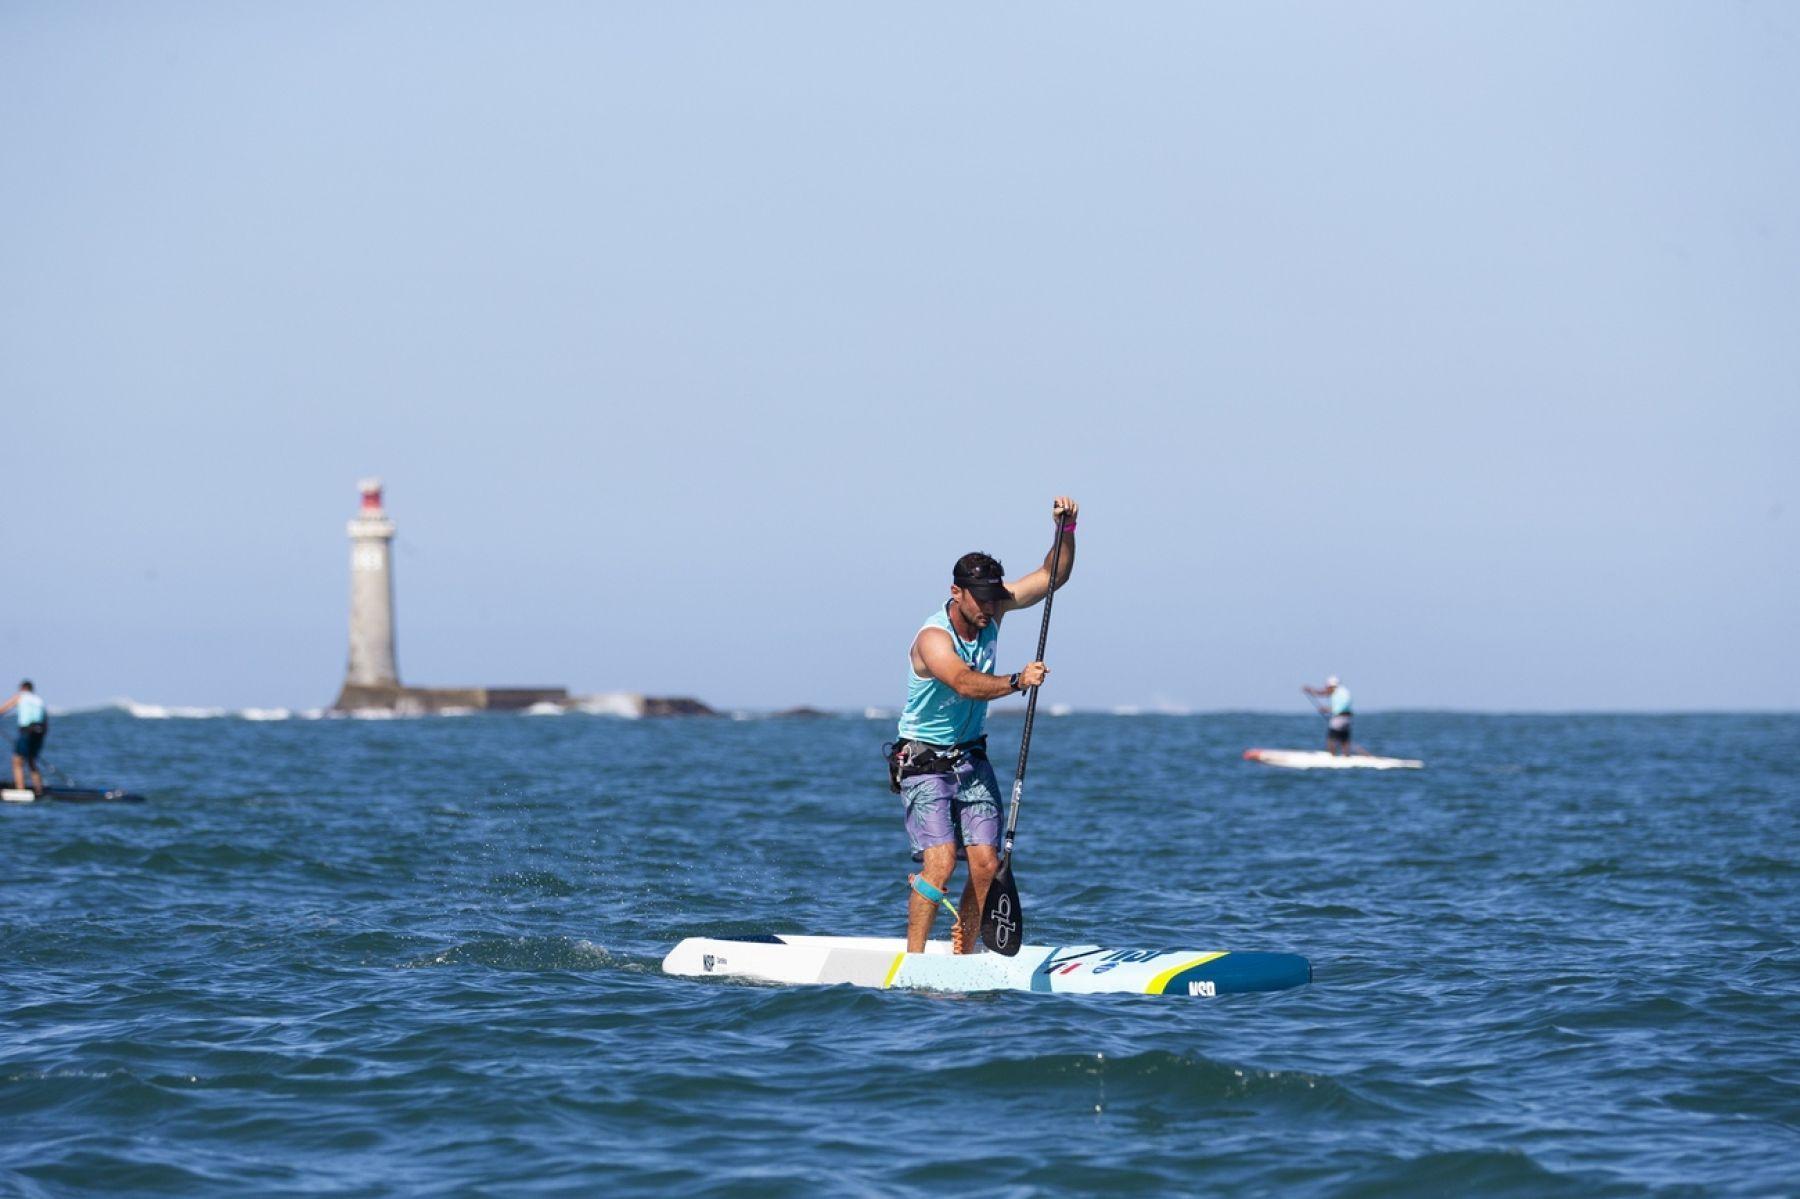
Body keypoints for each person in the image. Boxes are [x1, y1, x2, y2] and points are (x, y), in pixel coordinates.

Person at [889, 497, 1078, 954]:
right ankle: (913, 960)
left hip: (971, 759)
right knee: (939, 864)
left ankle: (964, 952)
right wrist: (1017, 681)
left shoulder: (991, 608)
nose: (989, 609)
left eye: (995, 599)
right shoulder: (933, 639)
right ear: (957, 593)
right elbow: (963, 682)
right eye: (981, 600)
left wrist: (1066, 530)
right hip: (924, 763)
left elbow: (1053, 577)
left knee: (986, 865)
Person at [1, 679, 48, 795]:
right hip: (40, 732)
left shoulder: (21, 696)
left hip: (27, 731)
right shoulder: (39, 700)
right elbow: (46, 720)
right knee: (31, 760)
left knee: (17, 761)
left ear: (23, 688)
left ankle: (20, 790)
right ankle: (38, 789)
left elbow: (3, 709)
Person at [1303, 675, 1353, 755]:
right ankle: (1346, 756)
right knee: (1344, 739)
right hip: (1348, 719)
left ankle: (1332, 757)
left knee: (1331, 739)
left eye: (1328, 686)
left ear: (1332, 685)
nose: (1327, 688)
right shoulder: (1345, 691)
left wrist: (1325, 709)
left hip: (1338, 719)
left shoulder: (1335, 691)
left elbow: (1337, 707)